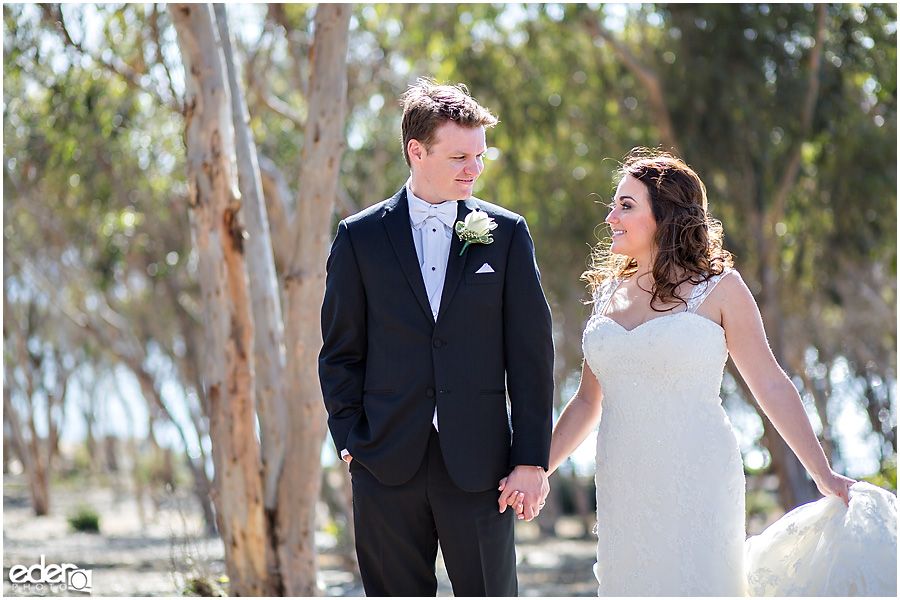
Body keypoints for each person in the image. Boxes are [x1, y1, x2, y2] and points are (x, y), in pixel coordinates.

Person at [525, 148, 892, 596]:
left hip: (697, 474)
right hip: (622, 481)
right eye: (613, 205)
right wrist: (537, 469)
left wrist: (822, 474)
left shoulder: (720, 289)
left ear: (665, 216)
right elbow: (586, 402)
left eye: (625, 205)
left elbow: (772, 384)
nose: (610, 217)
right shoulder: (605, 296)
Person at [318, 78, 554, 597]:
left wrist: (531, 458)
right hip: (384, 462)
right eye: (459, 157)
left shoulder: (506, 233)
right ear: (416, 151)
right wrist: (351, 443)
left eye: (480, 156)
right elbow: (339, 352)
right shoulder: (359, 238)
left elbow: (532, 356)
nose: (474, 169)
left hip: (481, 467)